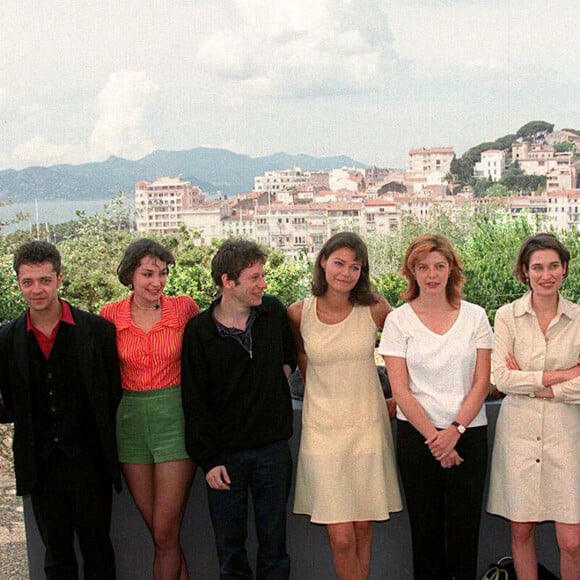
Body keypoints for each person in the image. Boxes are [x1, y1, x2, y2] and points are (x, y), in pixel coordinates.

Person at [0, 240, 121, 580]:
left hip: (90, 461)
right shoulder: (7, 339)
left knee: (98, 549)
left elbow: (111, 393)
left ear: (59, 279)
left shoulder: (97, 331)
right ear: (19, 283)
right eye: (27, 282)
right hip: (40, 465)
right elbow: (9, 401)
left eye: (44, 280)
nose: (36, 289)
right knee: (56, 555)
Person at [288, 232, 402, 580]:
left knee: (363, 529)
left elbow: (412, 348)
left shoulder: (376, 308)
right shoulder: (297, 313)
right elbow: (302, 363)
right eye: (339, 263)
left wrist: (399, 396)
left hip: (368, 427)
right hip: (322, 433)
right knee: (340, 537)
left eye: (355, 266)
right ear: (323, 262)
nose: (346, 272)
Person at [379, 234, 493, 580]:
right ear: (411, 272)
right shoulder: (398, 321)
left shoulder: (475, 316)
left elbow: (481, 383)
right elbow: (401, 390)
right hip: (418, 439)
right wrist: (436, 439)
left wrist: (454, 432)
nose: (432, 274)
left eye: (439, 266)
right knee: (425, 535)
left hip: (468, 436)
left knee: (465, 535)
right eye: (423, 267)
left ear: (451, 269)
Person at [181, 239, 296, 580]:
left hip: (273, 451)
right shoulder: (199, 331)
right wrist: (209, 458)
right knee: (230, 548)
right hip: (224, 458)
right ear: (227, 282)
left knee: (274, 544)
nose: (263, 284)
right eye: (254, 277)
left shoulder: (273, 312)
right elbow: (194, 399)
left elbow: (289, 358)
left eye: (263, 276)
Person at [99, 238, 199, 580]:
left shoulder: (184, 308)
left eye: (162, 273)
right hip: (129, 425)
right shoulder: (108, 315)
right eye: (147, 274)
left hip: (175, 419)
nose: (157, 282)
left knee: (164, 533)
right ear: (130, 275)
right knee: (161, 536)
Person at [487, 233, 580, 580]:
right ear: (525, 272)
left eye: (553, 266)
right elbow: (500, 378)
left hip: (566, 438)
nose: (546, 274)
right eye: (537, 267)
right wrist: (565, 374)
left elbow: (518, 380)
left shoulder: (579, 318)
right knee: (521, 531)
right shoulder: (507, 316)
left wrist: (538, 387)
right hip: (520, 437)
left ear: (565, 269)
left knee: (571, 541)